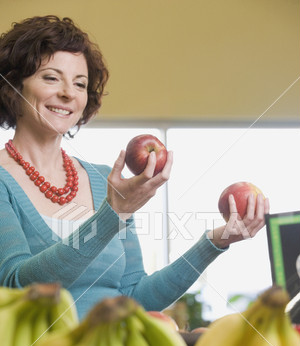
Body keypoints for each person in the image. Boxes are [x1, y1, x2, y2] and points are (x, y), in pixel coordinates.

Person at [0, 15, 269, 319]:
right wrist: (111, 215)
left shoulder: (103, 180)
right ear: (12, 86)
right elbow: (17, 284)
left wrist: (215, 242)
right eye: (51, 77)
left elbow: (134, 298)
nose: (68, 93)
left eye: (80, 84)